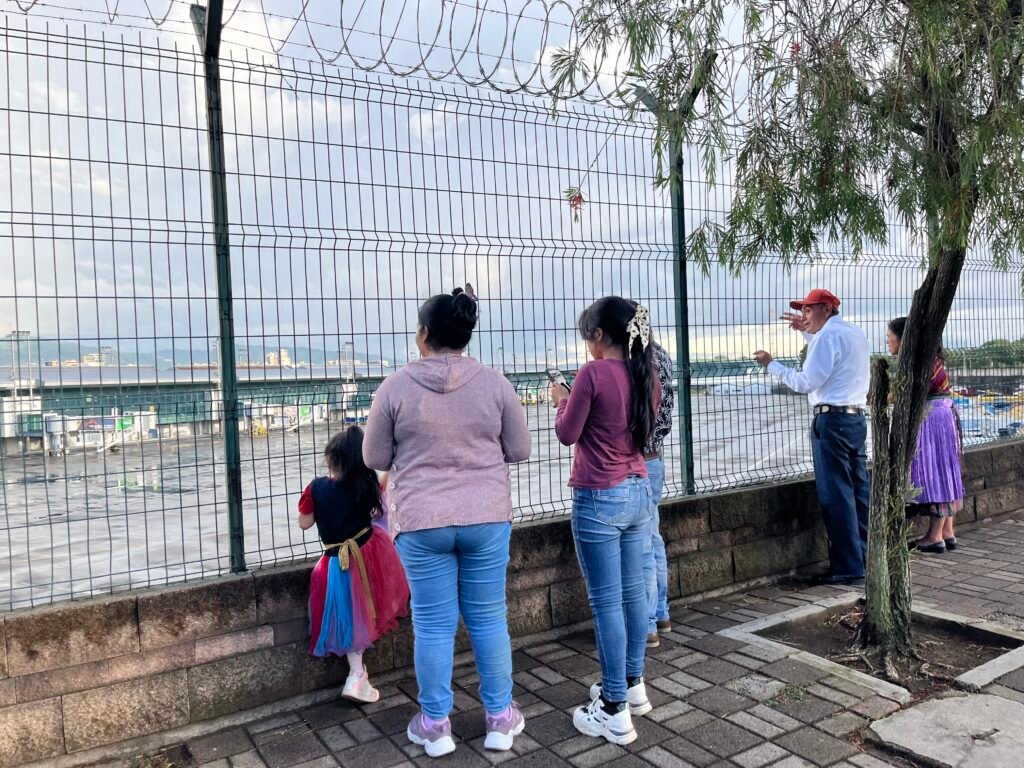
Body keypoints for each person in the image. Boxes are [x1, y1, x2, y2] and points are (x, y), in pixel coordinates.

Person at [363, 285, 532, 758]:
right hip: (485, 517)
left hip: (421, 522)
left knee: (434, 626)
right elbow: (519, 449)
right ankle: (500, 717)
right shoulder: (496, 383)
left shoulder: (394, 387)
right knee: (488, 618)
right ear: (465, 334)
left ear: (423, 335)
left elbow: (374, 455)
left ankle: (435, 725)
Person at [550, 296, 658, 746]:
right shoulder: (645, 374)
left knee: (607, 604)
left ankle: (612, 709)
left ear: (598, 336)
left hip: (599, 496)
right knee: (635, 598)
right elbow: (644, 433)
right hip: (638, 491)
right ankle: (632, 685)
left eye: (586, 337)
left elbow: (566, 433)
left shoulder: (592, 374)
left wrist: (562, 399)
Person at [753, 288, 870, 586]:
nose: (803, 315)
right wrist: (806, 334)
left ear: (826, 310)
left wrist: (772, 364)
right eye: (802, 311)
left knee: (837, 495)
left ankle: (846, 567)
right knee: (858, 491)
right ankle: (864, 558)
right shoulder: (852, 333)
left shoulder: (828, 337)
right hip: (855, 418)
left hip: (831, 421)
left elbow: (807, 381)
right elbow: (832, 360)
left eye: (808, 310)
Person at [297, 426, 410, 704]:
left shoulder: (316, 488)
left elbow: (304, 522)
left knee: (347, 616)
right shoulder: (365, 485)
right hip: (368, 555)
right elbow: (384, 483)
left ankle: (357, 674)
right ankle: (357, 676)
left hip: (334, 564)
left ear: (331, 460)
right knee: (366, 611)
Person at [886, 317, 963, 553]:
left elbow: (901, 394)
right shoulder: (933, 359)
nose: (887, 343)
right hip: (943, 414)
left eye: (890, 337)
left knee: (936, 472)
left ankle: (934, 536)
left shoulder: (921, 363)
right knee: (945, 470)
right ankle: (947, 532)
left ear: (904, 339)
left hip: (931, 417)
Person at [643, 341, 675, 648]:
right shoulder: (661, 355)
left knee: (639, 545)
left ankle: (647, 624)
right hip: (655, 457)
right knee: (653, 537)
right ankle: (661, 614)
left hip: (631, 461)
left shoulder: (631, 360)